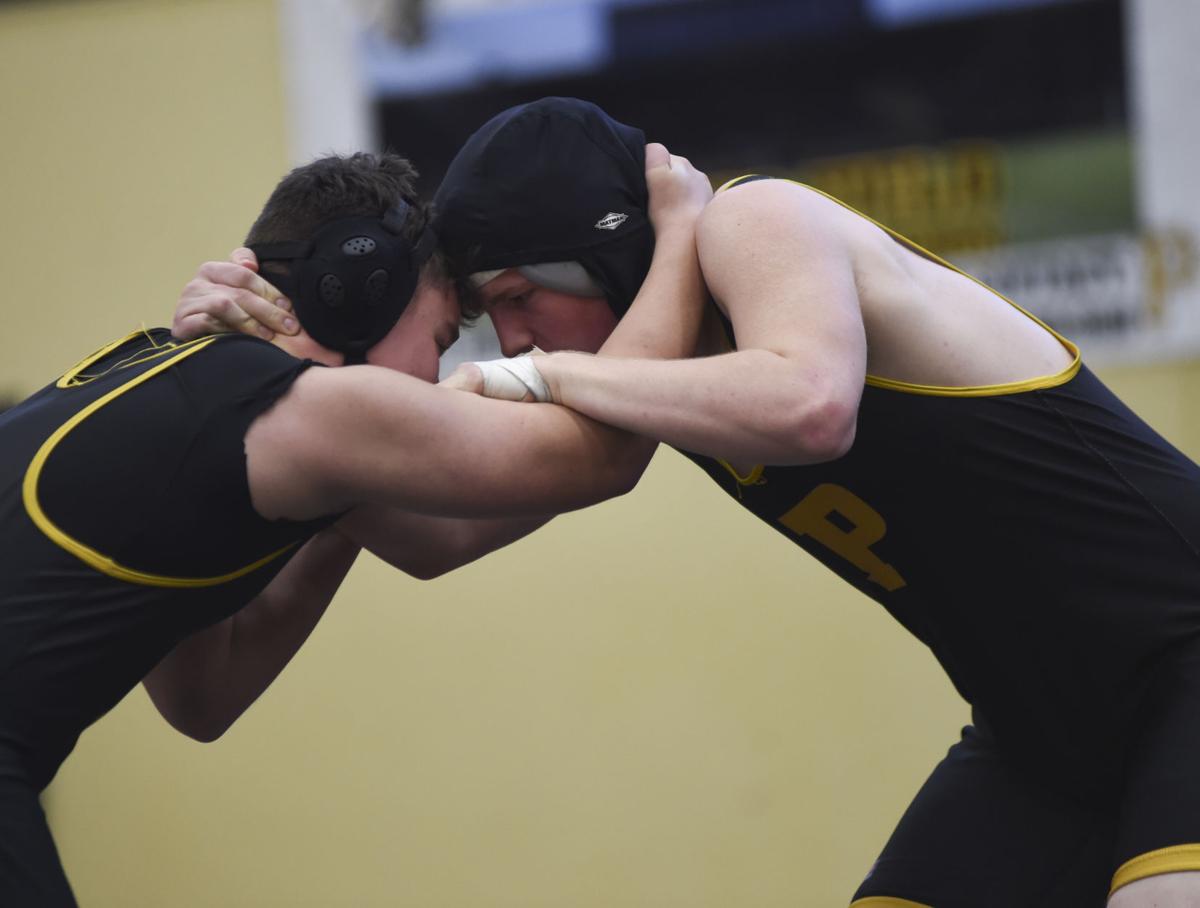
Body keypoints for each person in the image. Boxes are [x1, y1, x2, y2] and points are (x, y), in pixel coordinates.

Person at [189, 97, 1200, 907]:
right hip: (1041, 735)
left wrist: (553, 382)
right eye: (495, 315)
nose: (517, 340)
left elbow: (810, 407)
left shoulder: (758, 221)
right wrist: (286, 381)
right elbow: (438, 535)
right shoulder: (658, 369)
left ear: (603, 250)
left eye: (519, 296)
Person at [0, 144, 708, 906]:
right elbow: (598, 458)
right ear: (360, 290)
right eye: (440, 342)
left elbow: (202, 697)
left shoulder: (153, 375)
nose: (433, 382)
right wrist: (679, 242)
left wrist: (339, 502)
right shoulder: (303, 407)